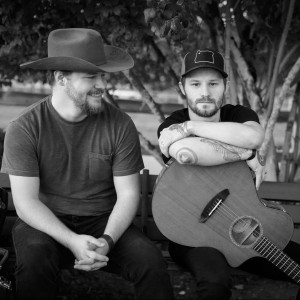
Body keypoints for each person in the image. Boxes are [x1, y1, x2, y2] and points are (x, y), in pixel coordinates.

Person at [1, 28, 174, 300]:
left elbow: (129, 194)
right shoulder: (25, 128)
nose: (102, 85)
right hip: (45, 221)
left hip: (104, 221)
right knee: (34, 260)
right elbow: (26, 204)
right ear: (60, 78)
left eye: (102, 76)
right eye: (91, 77)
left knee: (150, 263)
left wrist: (106, 240)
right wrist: (72, 241)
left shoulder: (120, 124)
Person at [157, 48, 300, 300]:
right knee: (215, 284)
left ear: (225, 85)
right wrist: (247, 154)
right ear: (182, 88)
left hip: (243, 234)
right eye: (195, 84)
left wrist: (191, 127)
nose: (205, 92)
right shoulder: (171, 124)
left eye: (213, 83)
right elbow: (187, 153)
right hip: (193, 234)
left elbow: (254, 136)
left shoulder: (239, 115)